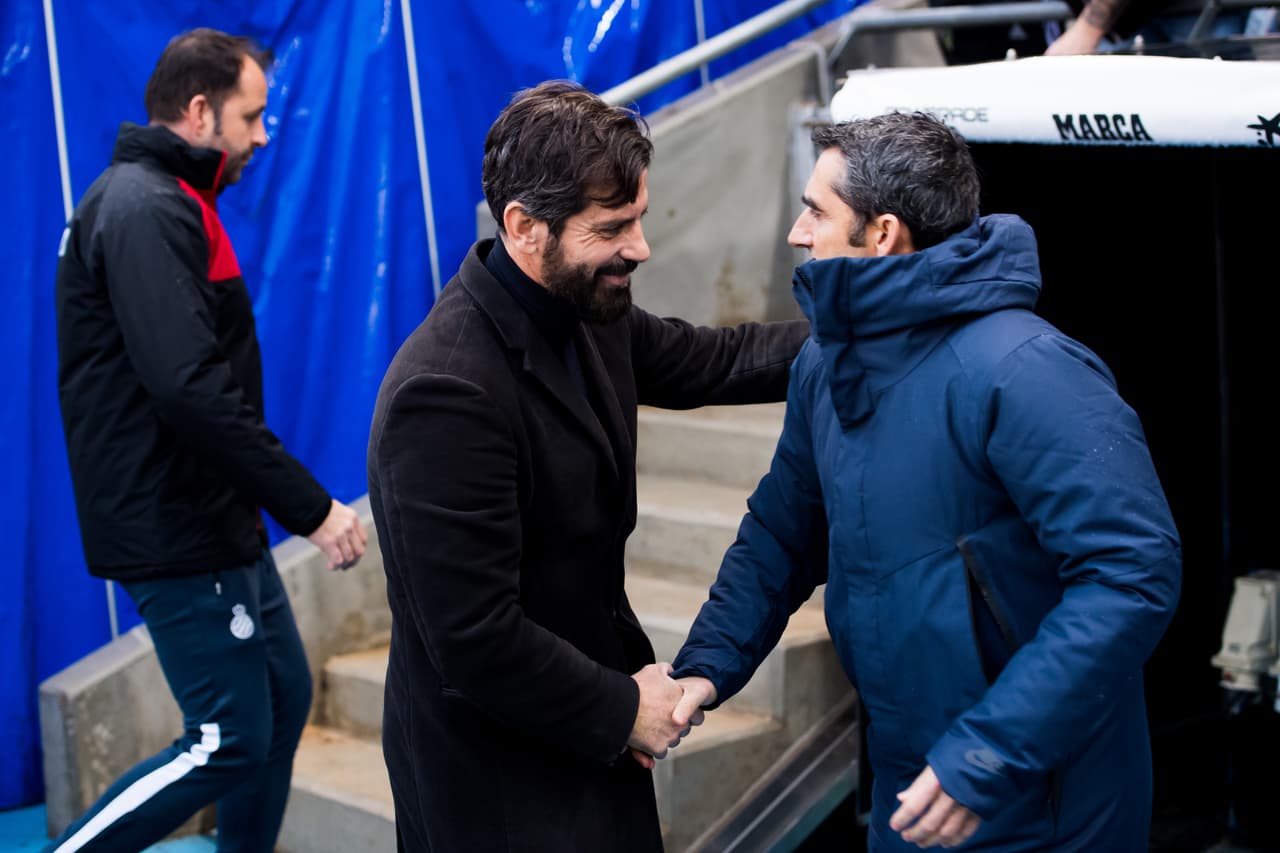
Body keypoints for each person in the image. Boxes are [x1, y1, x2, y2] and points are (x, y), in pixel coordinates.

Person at [670, 112, 1181, 851]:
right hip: (912, 786)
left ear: (882, 234)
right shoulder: (826, 363)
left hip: (1041, 799)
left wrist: (989, 753)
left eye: (817, 211)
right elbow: (784, 532)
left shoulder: (1025, 369)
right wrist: (706, 667)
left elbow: (1133, 571)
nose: (796, 232)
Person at [366, 80, 809, 851]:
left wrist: (866, 321)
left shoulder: (586, 308)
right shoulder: (445, 391)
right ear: (523, 227)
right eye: (613, 227)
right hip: (500, 785)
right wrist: (620, 709)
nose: (640, 247)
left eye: (638, 218)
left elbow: (714, 360)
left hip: (587, 746)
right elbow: (472, 636)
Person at [51, 28, 366, 853]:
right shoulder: (142, 208)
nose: (264, 136)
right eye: (252, 117)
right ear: (200, 112)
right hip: (176, 523)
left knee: (281, 699)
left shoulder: (172, 202)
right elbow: (189, 388)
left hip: (214, 514)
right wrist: (312, 508)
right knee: (225, 735)